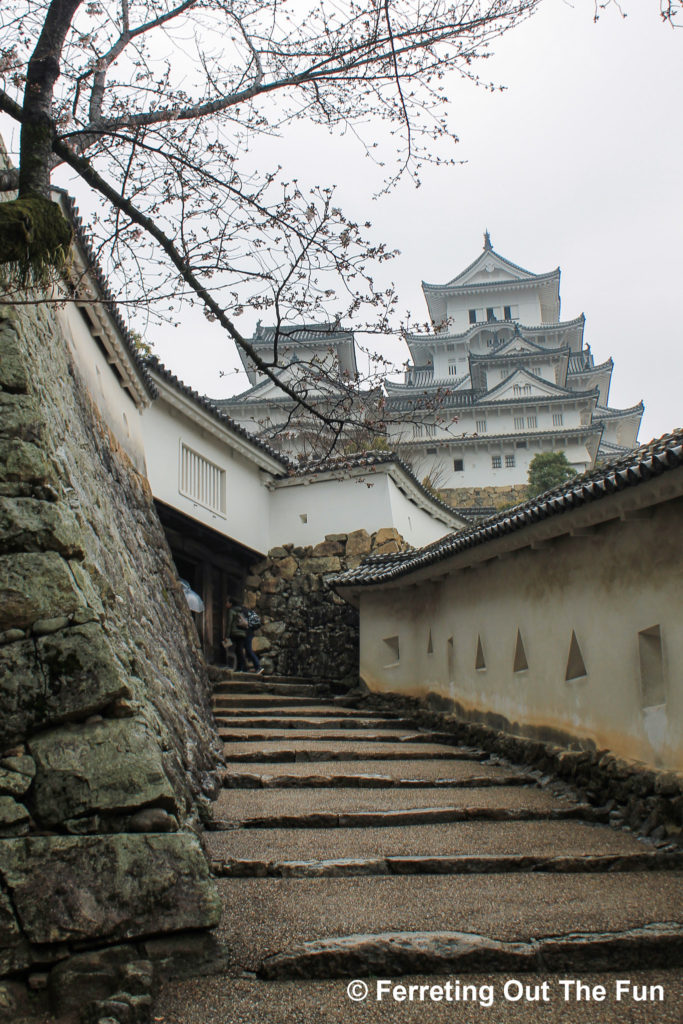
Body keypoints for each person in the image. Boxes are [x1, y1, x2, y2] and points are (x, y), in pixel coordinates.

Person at [224, 597, 262, 673]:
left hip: (237, 633)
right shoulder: (242, 610)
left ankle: (255, 667)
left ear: (231, 603)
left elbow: (229, 624)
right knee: (240, 650)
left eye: (227, 602)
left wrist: (226, 636)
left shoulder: (232, 611)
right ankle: (242, 667)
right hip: (244, 633)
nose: (225, 604)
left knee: (240, 650)